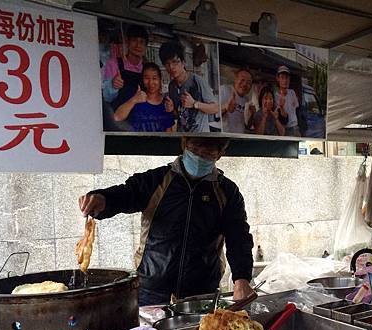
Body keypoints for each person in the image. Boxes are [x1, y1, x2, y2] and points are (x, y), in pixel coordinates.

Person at [78, 137, 255, 306]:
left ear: (219, 154)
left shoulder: (227, 192)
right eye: (195, 149)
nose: (200, 156)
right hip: (151, 290)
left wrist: (241, 278)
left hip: (202, 292)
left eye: (207, 154)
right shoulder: (156, 180)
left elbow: (238, 238)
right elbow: (126, 194)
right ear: (184, 145)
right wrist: (102, 199)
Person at [159, 41, 219, 133]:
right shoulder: (172, 86)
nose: (171, 67)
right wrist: (171, 110)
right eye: (167, 63)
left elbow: (215, 108)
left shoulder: (197, 81)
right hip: (183, 136)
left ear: (183, 62)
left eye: (175, 62)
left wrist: (194, 104)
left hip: (200, 137)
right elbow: (179, 113)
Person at [113, 62, 175, 132]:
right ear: (142, 80)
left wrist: (169, 113)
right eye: (146, 78)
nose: (150, 82)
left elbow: (168, 133)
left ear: (160, 80)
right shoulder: (136, 97)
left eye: (154, 78)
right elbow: (117, 117)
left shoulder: (166, 104)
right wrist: (134, 100)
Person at [101, 24, 148, 110]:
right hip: (119, 119)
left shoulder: (147, 69)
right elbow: (106, 97)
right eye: (134, 40)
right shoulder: (113, 63)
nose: (138, 45)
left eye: (141, 42)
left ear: (145, 46)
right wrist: (113, 85)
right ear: (127, 42)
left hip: (141, 118)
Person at [220, 68, 256, 134]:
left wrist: (253, 114)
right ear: (235, 79)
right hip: (226, 137)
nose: (245, 84)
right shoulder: (224, 90)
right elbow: (214, 116)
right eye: (242, 80)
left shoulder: (246, 100)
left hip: (239, 137)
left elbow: (247, 126)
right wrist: (226, 107)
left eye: (248, 82)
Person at [274, 65, 300, 137]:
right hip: (285, 130)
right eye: (282, 77)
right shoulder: (275, 97)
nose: (285, 81)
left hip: (295, 128)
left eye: (287, 78)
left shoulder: (292, 92)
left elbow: (296, 108)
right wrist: (281, 107)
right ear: (277, 78)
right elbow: (280, 117)